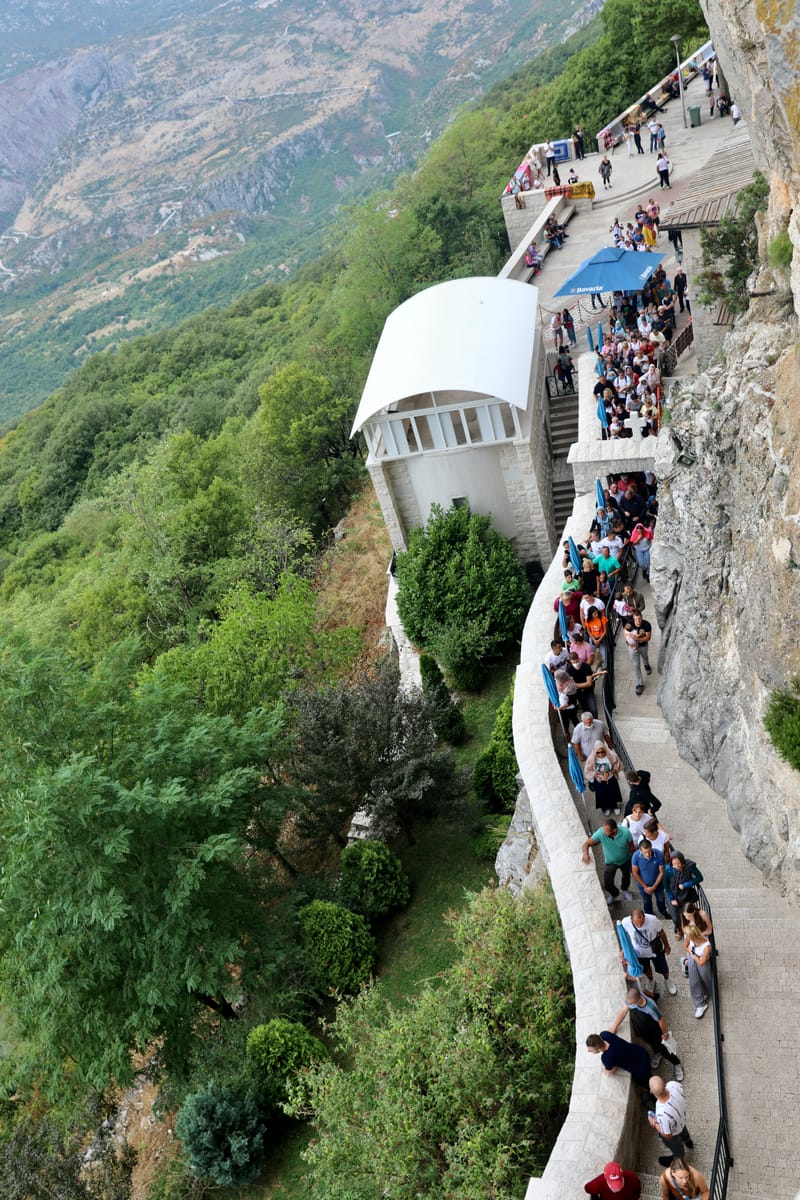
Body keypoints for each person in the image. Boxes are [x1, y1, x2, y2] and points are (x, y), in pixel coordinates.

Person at [607, 986, 684, 1080]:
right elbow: (624, 1010)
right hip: (643, 1031)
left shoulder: (651, 1007)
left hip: (655, 1031)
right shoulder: (631, 1000)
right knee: (652, 1044)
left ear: (638, 1000)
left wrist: (665, 1034)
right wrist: (614, 1027)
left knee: (665, 1049)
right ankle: (658, 1053)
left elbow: (661, 1020)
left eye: (631, 1003)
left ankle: (676, 1063)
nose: (629, 1005)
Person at [621, 908, 678, 995]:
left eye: (642, 922)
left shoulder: (653, 919)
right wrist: (623, 951)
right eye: (637, 924)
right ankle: (651, 980)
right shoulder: (625, 922)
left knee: (663, 967)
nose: (639, 925)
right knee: (646, 969)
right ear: (631, 919)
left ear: (644, 917)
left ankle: (667, 979)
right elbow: (623, 936)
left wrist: (667, 945)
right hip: (639, 953)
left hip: (656, 950)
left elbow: (661, 932)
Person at [581, 818, 634, 904]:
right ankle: (614, 894)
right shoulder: (601, 832)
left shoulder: (625, 832)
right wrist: (585, 854)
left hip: (626, 860)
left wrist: (633, 860)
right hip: (610, 862)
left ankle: (625, 890)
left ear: (614, 830)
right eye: (603, 829)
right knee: (608, 884)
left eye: (606, 831)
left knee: (626, 877)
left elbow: (632, 846)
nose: (604, 832)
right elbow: (586, 844)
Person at [648, 1076, 694, 1166]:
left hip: (674, 1132)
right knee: (683, 1131)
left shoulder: (663, 1114)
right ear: (665, 1084)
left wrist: (654, 1124)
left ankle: (678, 1160)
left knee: (676, 1147)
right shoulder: (674, 1085)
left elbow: (668, 1135)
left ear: (651, 1092)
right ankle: (688, 1142)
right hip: (681, 1120)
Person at [586, 1031, 650, 1088]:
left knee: (644, 1082)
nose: (588, 1051)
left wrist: (603, 1066)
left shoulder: (606, 1058)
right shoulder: (605, 1034)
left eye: (591, 1050)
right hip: (640, 1051)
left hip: (640, 1067)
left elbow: (611, 1071)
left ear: (598, 1049)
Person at [665, 851, 704, 936]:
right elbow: (666, 885)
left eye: (678, 863)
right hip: (673, 894)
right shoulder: (668, 869)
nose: (677, 866)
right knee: (675, 917)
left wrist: (686, 884)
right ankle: (678, 928)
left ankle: (688, 929)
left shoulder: (689, 866)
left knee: (688, 914)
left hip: (686, 893)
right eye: (674, 864)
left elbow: (699, 877)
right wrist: (672, 899)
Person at [631, 838, 669, 917]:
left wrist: (654, 886)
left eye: (649, 851)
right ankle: (649, 915)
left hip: (658, 885)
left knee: (661, 899)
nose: (648, 854)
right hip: (643, 886)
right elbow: (635, 872)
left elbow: (661, 872)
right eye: (645, 852)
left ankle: (663, 912)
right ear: (640, 850)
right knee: (646, 901)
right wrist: (645, 887)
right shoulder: (635, 856)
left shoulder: (659, 855)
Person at [585, 740, 624, 816]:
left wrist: (614, 769)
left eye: (602, 752)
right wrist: (595, 774)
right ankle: (605, 808)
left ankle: (614, 806)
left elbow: (618, 764)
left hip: (611, 778)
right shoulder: (591, 759)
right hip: (600, 781)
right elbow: (587, 771)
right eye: (598, 752)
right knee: (602, 795)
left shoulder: (611, 755)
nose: (600, 754)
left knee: (613, 793)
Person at [683, 922, 712, 1018]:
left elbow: (702, 962)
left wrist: (693, 954)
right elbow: (686, 946)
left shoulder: (706, 946)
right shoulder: (689, 937)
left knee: (705, 978)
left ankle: (706, 992)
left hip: (701, 961)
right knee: (694, 981)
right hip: (694, 958)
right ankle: (700, 1004)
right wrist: (692, 954)